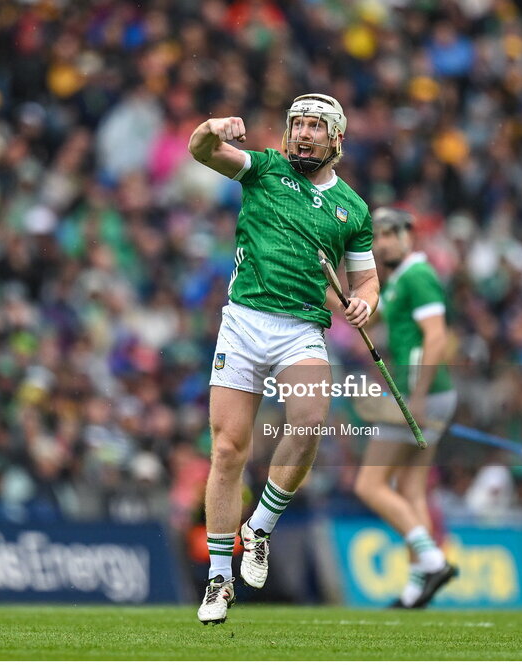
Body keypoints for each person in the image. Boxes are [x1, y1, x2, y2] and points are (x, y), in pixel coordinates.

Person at [188, 94, 379, 624]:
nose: (303, 134)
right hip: (245, 321)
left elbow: (365, 279)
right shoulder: (264, 168)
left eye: (316, 126)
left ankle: (260, 529)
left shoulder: (353, 210)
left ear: (336, 139)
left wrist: (365, 302)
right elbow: (201, 150)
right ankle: (219, 580)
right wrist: (214, 125)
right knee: (228, 451)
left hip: (301, 329)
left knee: (311, 419)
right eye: (297, 125)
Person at [353, 207, 457, 608]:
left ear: (408, 234)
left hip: (422, 395)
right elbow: (367, 317)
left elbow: (435, 339)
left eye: (389, 234)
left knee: (369, 484)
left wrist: (416, 397)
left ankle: (431, 560)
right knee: (411, 487)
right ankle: (418, 586)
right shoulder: (397, 281)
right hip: (430, 395)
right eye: (376, 237)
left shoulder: (418, 276)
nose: (382, 243)